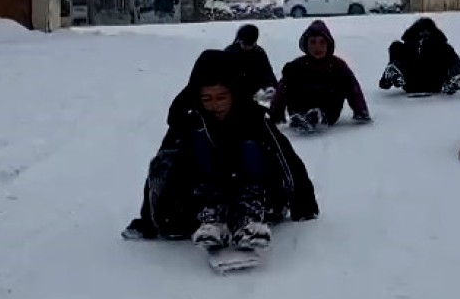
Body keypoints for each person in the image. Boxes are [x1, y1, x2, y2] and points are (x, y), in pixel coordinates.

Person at [122, 49, 319, 248]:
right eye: (207, 99)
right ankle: (212, 216)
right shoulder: (189, 120)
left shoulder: (253, 118)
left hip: (260, 196)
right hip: (201, 195)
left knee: (250, 145)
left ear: (234, 93)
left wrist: (303, 203)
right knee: (196, 139)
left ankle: (250, 217)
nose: (215, 105)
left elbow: (286, 157)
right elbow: (162, 166)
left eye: (221, 98)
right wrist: (149, 220)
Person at [269, 19, 372, 133]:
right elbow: (282, 89)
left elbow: (353, 88)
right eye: (313, 42)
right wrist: (276, 115)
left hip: (328, 107)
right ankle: (301, 117)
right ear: (306, 45)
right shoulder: (298, 65)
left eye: (322, 42)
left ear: (328, 45)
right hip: (302, 105)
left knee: (342, 77)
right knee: (290, 71)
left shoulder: (337, 64)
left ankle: (319, 116)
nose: (317, 47)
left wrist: (361, 111)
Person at [378, 16, 460, 95]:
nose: (424, 33)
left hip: (434, 83)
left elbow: (454, 60)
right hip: (410, 83)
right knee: (396, 46)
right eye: (421, 31)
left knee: (447, 50)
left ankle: (454, 79)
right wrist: (385, 81)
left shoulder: (442, 47)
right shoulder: (406, 47)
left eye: (427, 31)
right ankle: (393, 75)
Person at [225, 24, 278, 102]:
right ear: (239, 41)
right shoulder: (230, 53)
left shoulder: (259, 52)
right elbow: (226, 79)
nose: (247, 47)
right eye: (244, 44)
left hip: (256, 95)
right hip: (234, 97)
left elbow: (267, 72)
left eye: (251, 44)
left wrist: (270, 87)